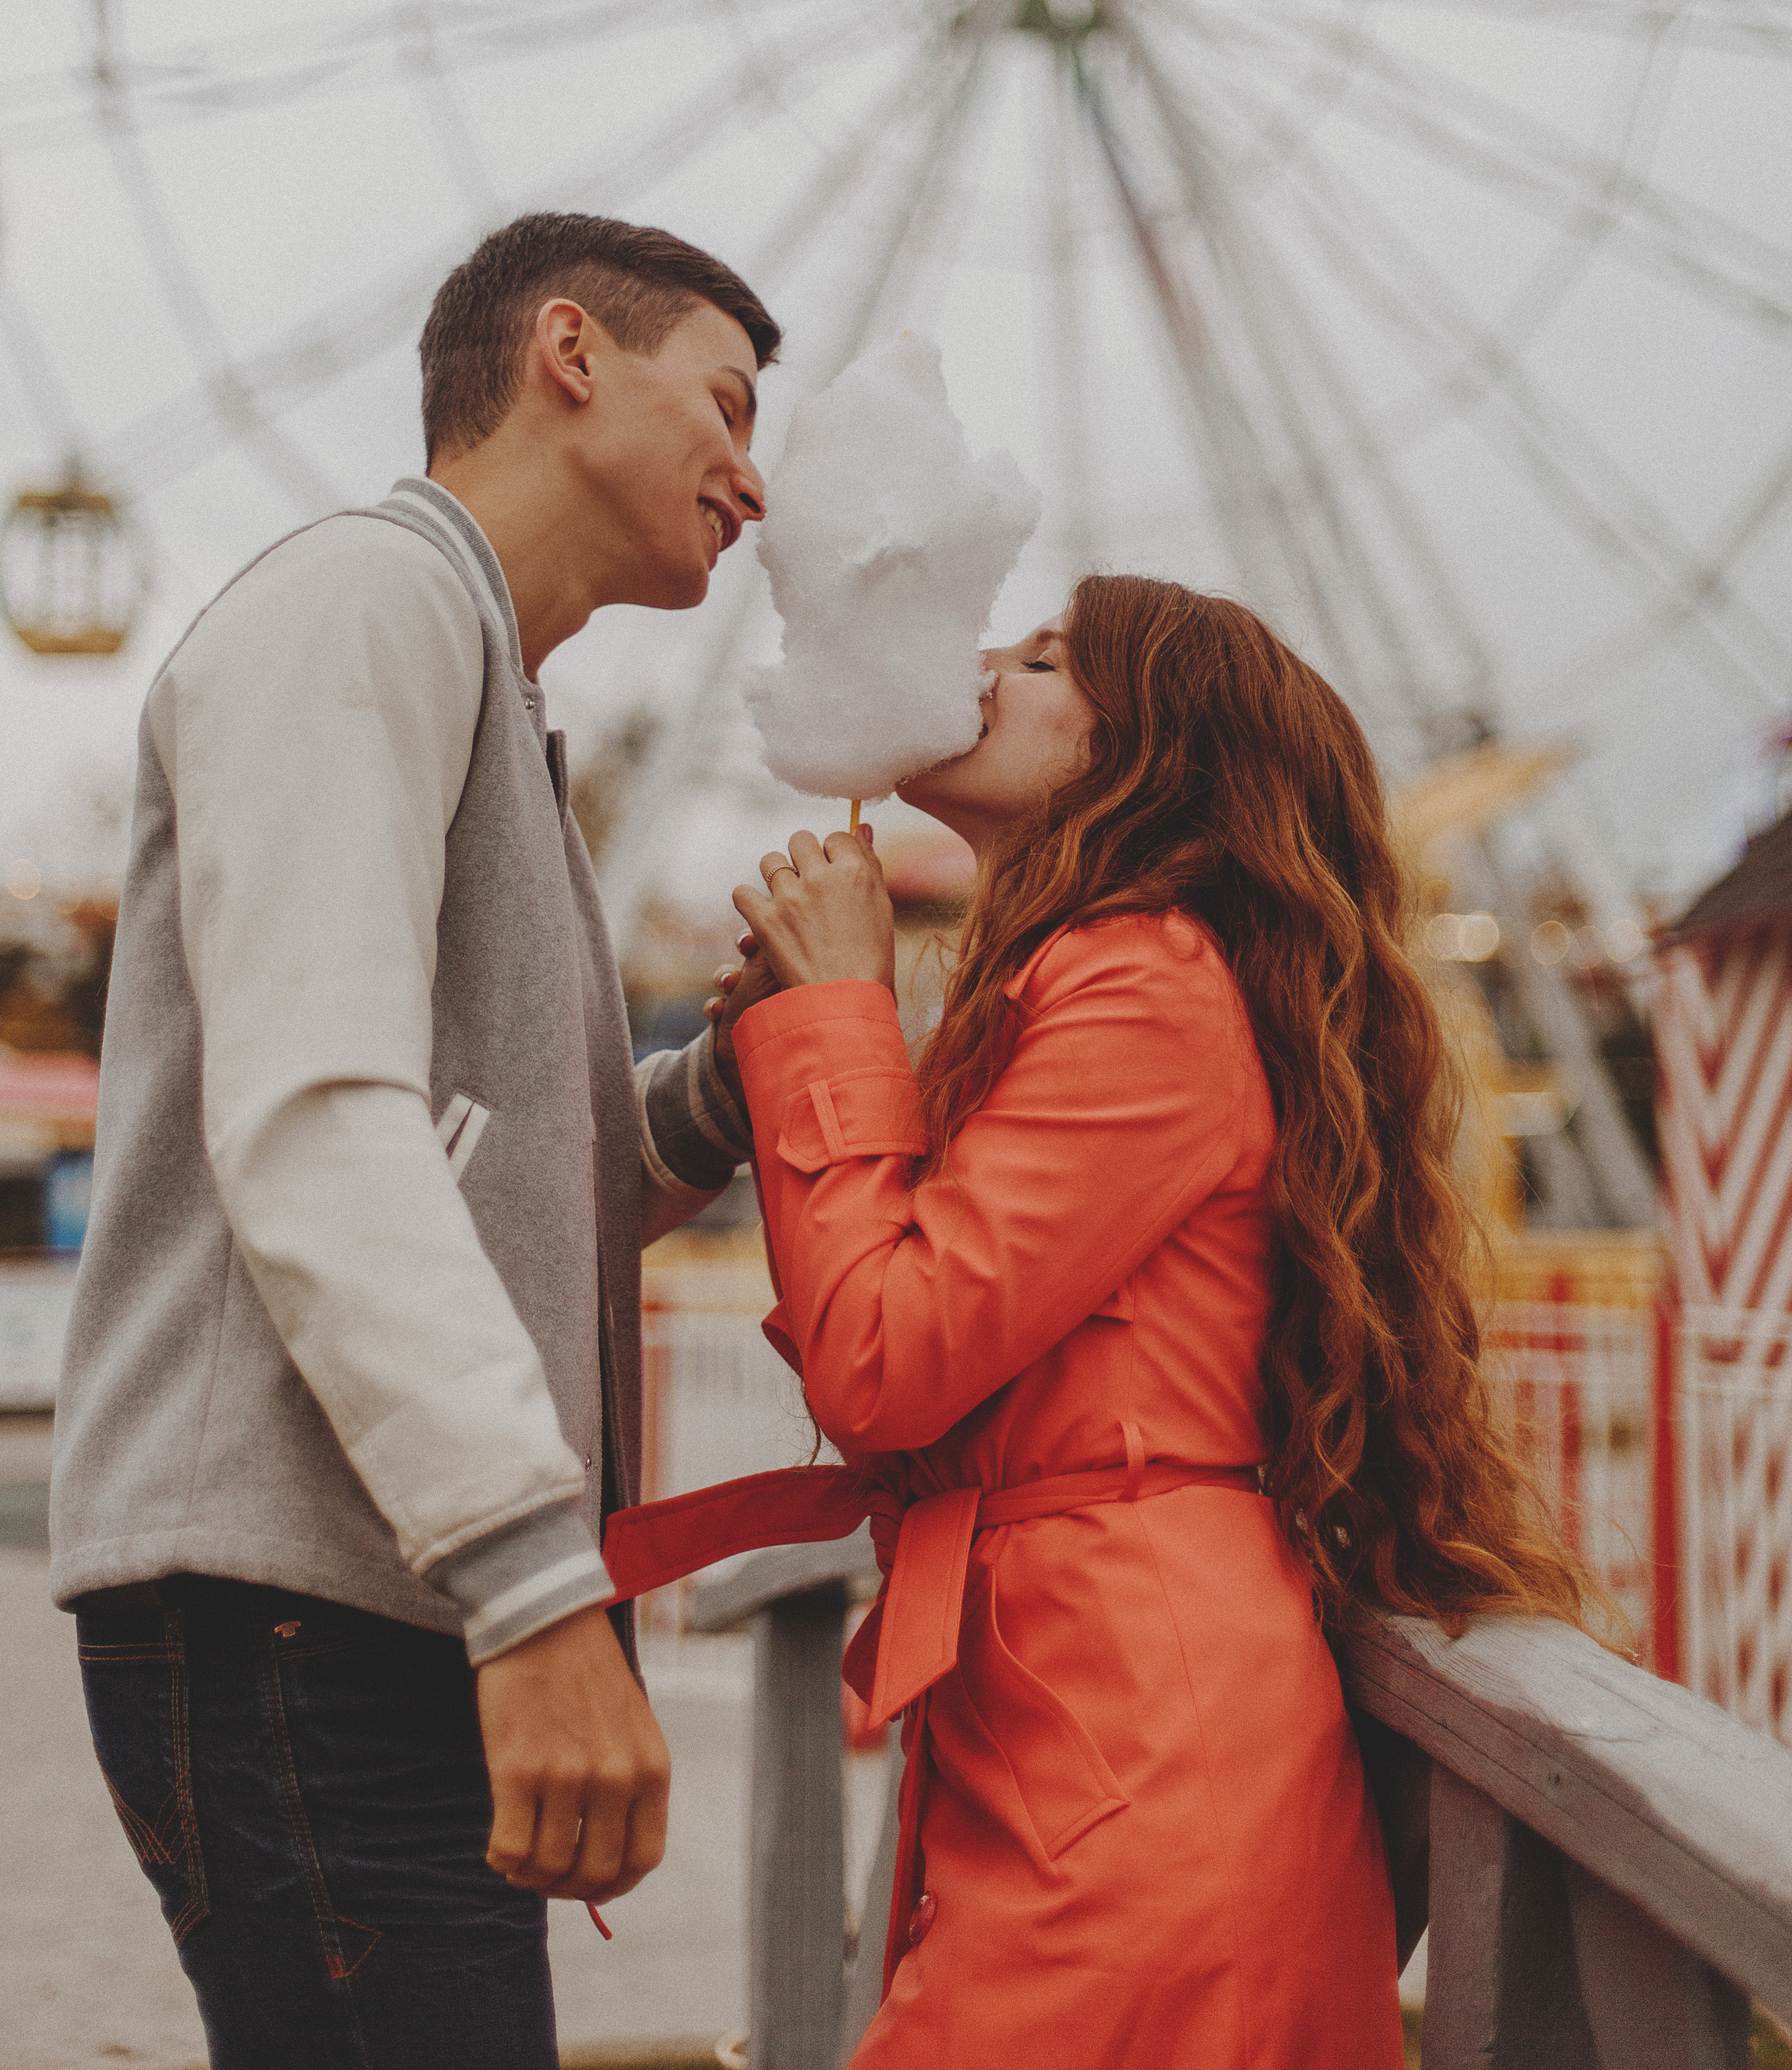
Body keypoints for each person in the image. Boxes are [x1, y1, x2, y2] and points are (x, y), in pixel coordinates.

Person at [49, 211, 778, 2070]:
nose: (751, 477)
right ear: (568, 354)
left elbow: (515, 1185)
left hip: (360, 1590)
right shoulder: (365, 599)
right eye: (727, 400)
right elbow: (313, 1118)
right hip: (308, 1601)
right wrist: (537, 1583)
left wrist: (738, 1076)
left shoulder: (473, 677)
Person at [692, 575, 1592, 2069]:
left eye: (1045, 658)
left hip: (1134, 1767)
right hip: (1102, 1717)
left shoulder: (1140, 983)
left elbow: (881, 1358)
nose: (980, 660)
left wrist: (840, 1020)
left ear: (1147, 756)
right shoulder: (1090, 977)